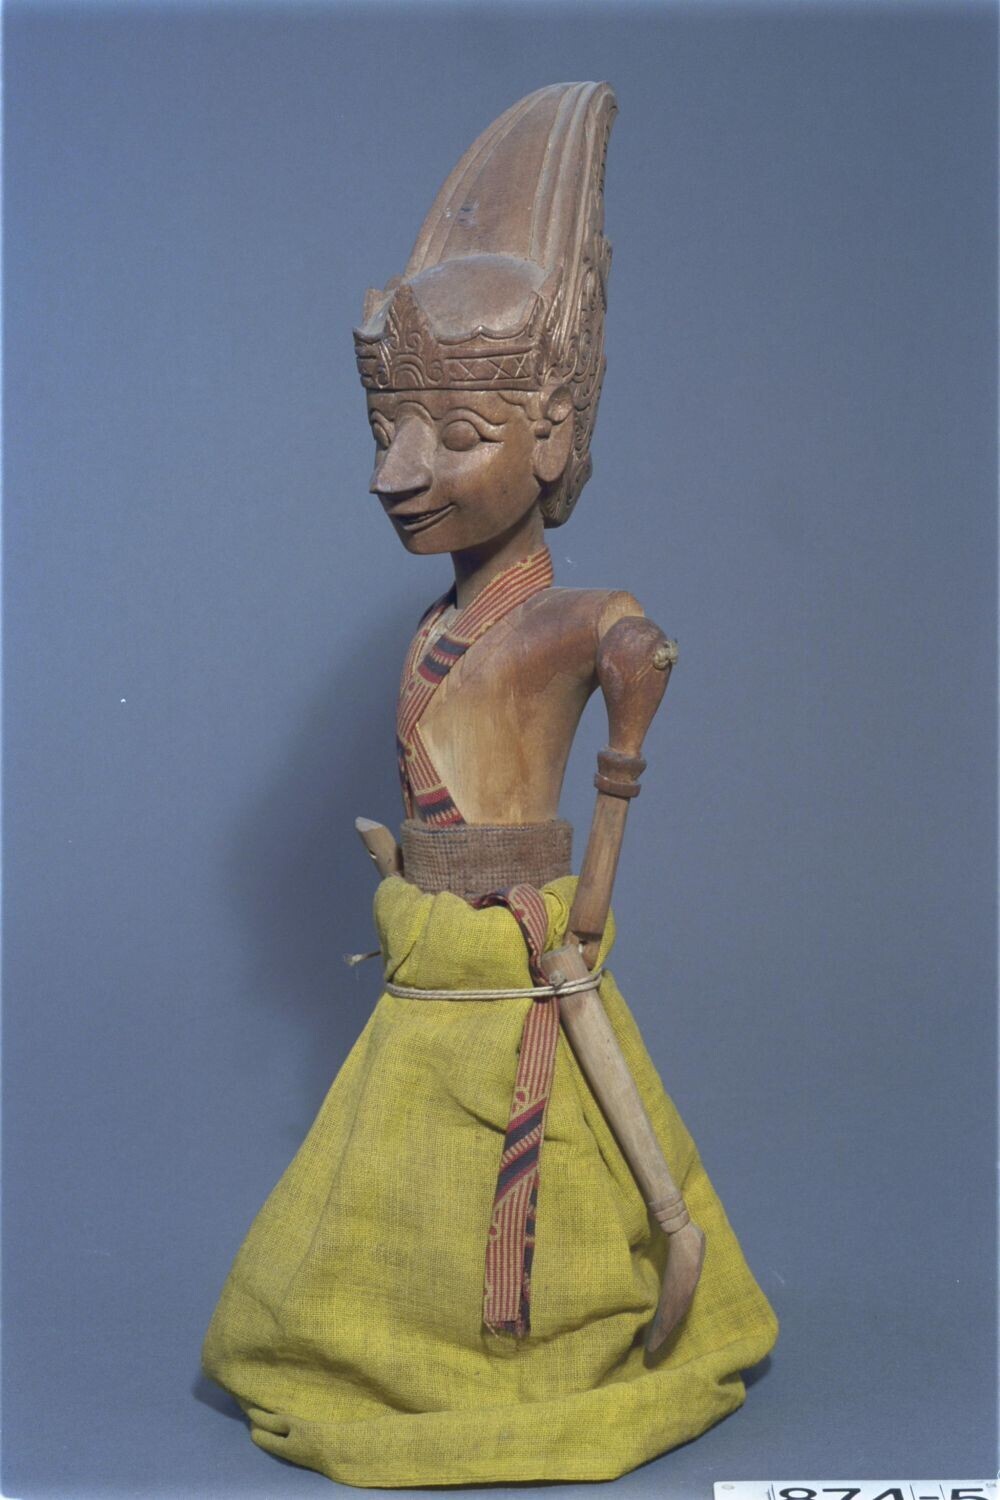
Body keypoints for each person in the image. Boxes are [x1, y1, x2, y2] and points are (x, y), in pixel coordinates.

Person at [202, 81, 777, 1488]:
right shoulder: (444, 623)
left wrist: (624, 712)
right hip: (439, 949)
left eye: (456, 433)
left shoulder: (566, 618)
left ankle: (527, 1340)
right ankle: (422, 1339)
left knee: (557, 1157)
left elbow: (629, 654)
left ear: (554, 436)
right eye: (388, 431)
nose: (398, 474)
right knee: (405, 1174)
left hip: (522, 955)